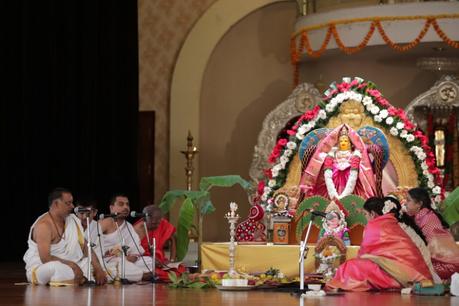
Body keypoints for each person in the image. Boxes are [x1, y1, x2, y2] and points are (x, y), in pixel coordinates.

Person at [326, 197, 432, 291]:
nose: (365, 218)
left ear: (372, 214)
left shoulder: (374, 225)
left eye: (365, 214)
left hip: (399, 274)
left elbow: (364, 254)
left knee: (350, 266)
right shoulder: (391, 222)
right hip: (415, 272)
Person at [23, 188, 106, 286]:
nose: (72, 206)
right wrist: (73, 265)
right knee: (55, 267)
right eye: (68, 203)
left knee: (89, 263)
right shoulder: (44, 226)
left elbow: (86, 247)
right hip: (43, 267)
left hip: (69, 264)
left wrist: (99, 269)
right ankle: (78, 278)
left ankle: (74, 278)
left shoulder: (71, 220)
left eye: (72, 203)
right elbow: (45, 259)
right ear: (56, 204)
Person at [299, 124, 377, 201]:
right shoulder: (331, 155)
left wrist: (345, 194)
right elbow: (327, 173)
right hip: (331, 184)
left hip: (352, 184)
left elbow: (354, 173)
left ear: (350, 143)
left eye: (346, 141)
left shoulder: (355, 155)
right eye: (341, 141)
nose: (343, 143)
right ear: (338, 143)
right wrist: (333, 194)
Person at [405, 188, 459, 280]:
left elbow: (436, 249)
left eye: (408, 200)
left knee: (411, 270)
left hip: (448, 265)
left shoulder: (428, 219)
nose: (405, 203)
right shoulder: (421, 216)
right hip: (443, 262)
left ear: (419, 204)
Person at [96, 193, 151, 282]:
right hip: (108, 261)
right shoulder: (105, 222)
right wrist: (117, 257)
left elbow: (135, 249)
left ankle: (132, 274)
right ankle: (140, 275)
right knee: (119, 266)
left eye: (127, 204)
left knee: (149, 261)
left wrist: (134, 257)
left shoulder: (128, 226)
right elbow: (91, 244)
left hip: (126, 260)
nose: (126, 207)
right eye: (121, 204)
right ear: (111, 208)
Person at [133, 205, 186, 282]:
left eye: (159, 223)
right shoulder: (137, 230)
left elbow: (172, 239)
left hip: (161, 262)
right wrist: (153, 261)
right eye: (154, 223)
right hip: (146, 261)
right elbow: (133, 252)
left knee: (181, 268)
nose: (157, 226)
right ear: (145, 219)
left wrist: (171, 260)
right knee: (156, 272)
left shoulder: (161, 223)